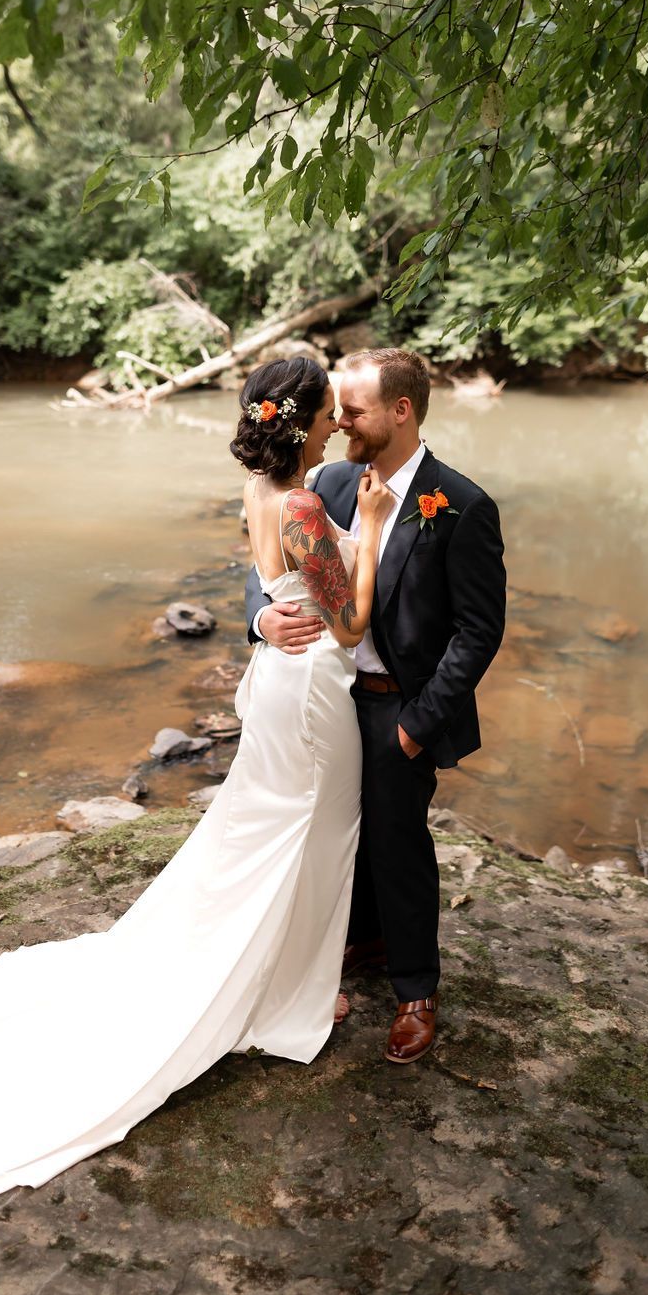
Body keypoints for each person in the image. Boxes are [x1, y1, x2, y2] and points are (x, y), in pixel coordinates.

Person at [0, 355, 394, 1199]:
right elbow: (350, 615)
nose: (337, 420)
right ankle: (288, 996)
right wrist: (362, 532)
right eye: (328, 410)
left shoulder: (261, 496)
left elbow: (273, 583)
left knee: (272, 834)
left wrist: (270, 607)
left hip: (285, 689)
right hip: (311, 700)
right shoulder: (302, 504)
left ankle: (290, 982)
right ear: (302, 423)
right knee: (314, 836)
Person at [246, 347, 506, 1065]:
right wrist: (260, 620)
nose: (340, 420)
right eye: (337, 409)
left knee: (396, 840)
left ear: (402, 410)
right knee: (330, 832)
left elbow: (480, 631)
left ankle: (415, 992)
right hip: (325, 696)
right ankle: (363, 936)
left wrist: (419, 728)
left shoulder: (460, 505)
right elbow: (269, 561)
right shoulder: (324, 481)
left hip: (399, 707)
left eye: (352, 409)